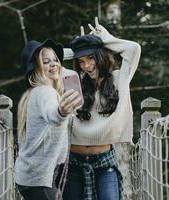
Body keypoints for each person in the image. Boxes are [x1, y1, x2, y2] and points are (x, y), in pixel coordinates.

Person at [63, 18, 141, 200]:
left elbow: (133, 49)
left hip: (104, 162)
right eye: (81, 61)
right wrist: (78, 48)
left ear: (101, 55)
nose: (87, 66)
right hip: (73, 162)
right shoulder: (74, 82)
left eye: (91, 58)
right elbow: (48, 61)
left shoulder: (118, 78)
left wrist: (105, 39)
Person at [14, 39, 83, 200]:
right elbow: (52, 115)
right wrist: (61, 111)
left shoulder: (33, 92)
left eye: (55, 60)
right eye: (46, 62)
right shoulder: (45, 92)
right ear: (36, 68)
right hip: (39, 178)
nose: (53, 64)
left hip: (30, 175)